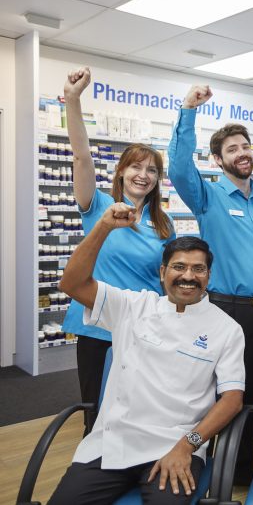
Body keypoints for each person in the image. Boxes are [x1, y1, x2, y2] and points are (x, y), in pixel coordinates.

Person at [49, 203, 244, 505]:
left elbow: (232, 399)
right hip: (114, 442)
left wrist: (188, 445)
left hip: (176, 446)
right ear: (163, 272)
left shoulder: (227, 329)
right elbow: (71, 283)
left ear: (208, 275)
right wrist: (103, 226)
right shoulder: (133, 306)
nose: (188, 276)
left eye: (198, 269)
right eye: (179, 267)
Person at [168, 86, 253, 483]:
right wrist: (188, 111)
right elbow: (179, 168)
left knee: (250, 394)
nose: (243, 153)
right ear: (218, 160)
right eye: (232, 149)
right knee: (214, 394)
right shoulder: (209, 196)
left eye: (245, 146)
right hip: (222, 308)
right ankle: (199, 462)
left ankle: (240, 471)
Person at [61, 67, 175, 433]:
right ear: (121, 172)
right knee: (96, 412)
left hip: (143, 327)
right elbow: (81, 156)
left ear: (158, 180)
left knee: (138, 409)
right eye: (136, 167)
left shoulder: (164, 224)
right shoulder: (97, 206)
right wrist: (73, 99)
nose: (143, 175)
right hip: (98, 328)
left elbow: (167, 278)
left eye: (152, 170)